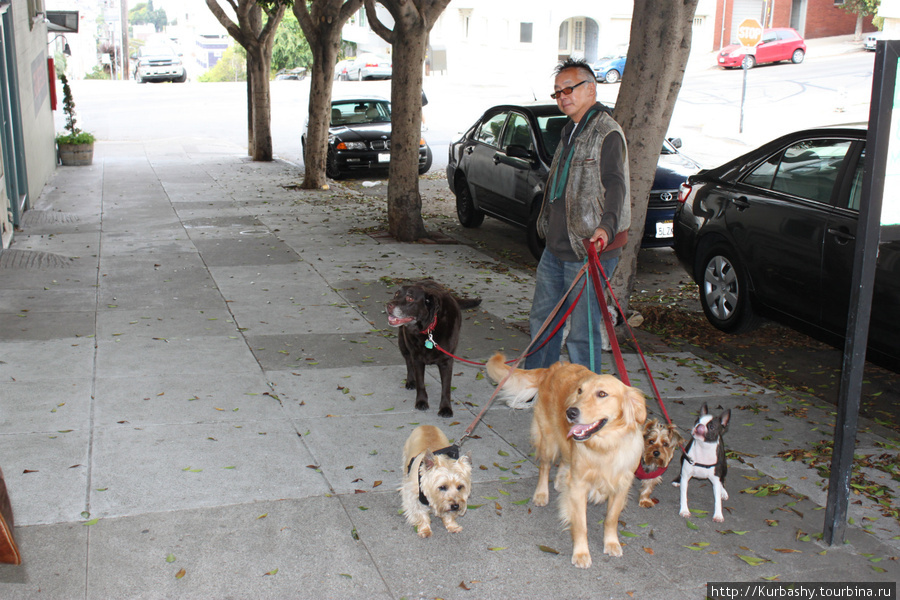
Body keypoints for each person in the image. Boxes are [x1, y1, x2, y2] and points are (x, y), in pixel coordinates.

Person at [524, 57, 630, 374]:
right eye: (557, 92)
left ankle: (589, 403)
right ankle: (539, 385)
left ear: (591, 89)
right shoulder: (570, 130)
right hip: (557, 245)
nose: (563, 96)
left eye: (569, 88)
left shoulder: (606, 132)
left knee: (582, 334)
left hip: (589, 248)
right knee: (543, 321)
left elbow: (616, 184)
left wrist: (606, 228)